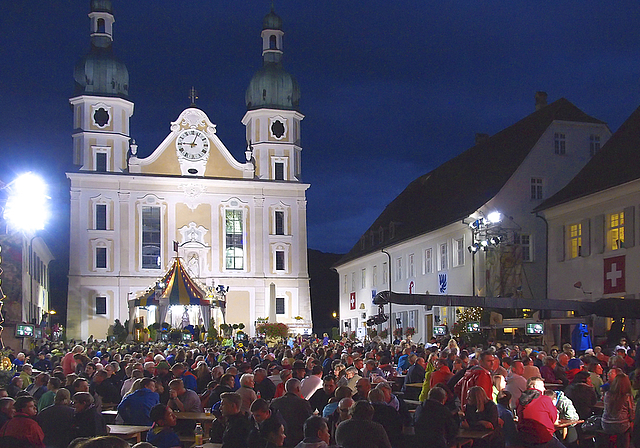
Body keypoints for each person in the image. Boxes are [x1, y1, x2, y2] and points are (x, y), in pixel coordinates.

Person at [516, 377, 564, 448]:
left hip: (525, 439)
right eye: (542, 386)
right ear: (534, 386)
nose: (544, 389)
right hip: (543, 438)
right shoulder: (545, 399)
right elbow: (553, 417)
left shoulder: (519, 401)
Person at [270, 378, 313, 447]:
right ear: (298, 388)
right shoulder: (303, 403)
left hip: (279, 440)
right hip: (298, 439)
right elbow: (310, 422)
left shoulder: (275, 403)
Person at [601, 373, 634, 448]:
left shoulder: (607, 394)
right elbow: (631, 413)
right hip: (621, 425)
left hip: (606, 424)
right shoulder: (627, 396)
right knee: (629, 427)